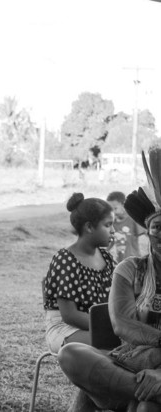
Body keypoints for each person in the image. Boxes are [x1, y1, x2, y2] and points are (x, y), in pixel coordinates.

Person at [59, 148, 161, 412]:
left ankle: (146, 394)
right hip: (131, 363)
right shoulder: (130, 269)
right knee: (72, 354)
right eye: (158, 227)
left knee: (145, 408)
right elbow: (122, 324)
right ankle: (148, 392)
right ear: (148, 231)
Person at [43, 193, 116, 354]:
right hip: (65, 327)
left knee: (126, 345)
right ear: (89, 227)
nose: (113, 231)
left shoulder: (107, 258)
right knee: (112, 349)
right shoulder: (66, 259)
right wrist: (110, 328)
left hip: (100, 325)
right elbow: (70, 315)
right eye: (108, 225)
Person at [108, 191, 146, 262]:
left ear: (123, 206)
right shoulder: (112, 224)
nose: (113, 212)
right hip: (120, 262)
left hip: (134, 260)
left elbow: (145, 236)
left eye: (115, 208)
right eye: (110, 209)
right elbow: (111, 242)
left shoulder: (133, 219)